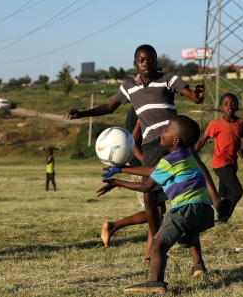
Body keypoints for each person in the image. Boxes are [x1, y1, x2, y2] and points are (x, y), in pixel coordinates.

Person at [67, 44, 204, 259]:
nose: (146, 63)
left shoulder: (167, 78)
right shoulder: (129, 85)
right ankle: (157, 244)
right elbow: (110, 107)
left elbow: (194, 98)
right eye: (142, 60)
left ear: (157, 61)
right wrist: (81, 113)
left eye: (151, 60)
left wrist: (197, 96)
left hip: (174, 141)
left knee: (182, 198)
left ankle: (193, 260)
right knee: (151, 200)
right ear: (134, 63)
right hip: (151, 144)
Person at [97, 115, 216, 293]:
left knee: (158, 245)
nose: (162, 131)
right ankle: (195, 254)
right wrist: (121, 169)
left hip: (184, 209)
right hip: (205, 211)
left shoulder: (170, 160)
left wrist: (117, 182)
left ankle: (156, 282)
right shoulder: (185, 156)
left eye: (166, 129)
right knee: (190, 229)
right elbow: (154, 170)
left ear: (175, 140)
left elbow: (147, 185)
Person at [96, 108, 168, 251]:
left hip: (146, 167)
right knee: (155, 211)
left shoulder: (143, 105)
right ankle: (115, 227)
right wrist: (147, 165)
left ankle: (149, 254)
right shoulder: (142, 108)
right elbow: (131, 142)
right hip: (142, 168)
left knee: (157, 211)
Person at [194, 92, 243, 223]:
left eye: (233, 104)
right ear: (221, 108)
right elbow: (202, 141)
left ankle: (203, 209)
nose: (229, 106)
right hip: (221, 163)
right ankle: (223, 218)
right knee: (237, 191)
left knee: (223, 195)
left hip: (232, 163)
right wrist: (191, 154)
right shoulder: (215, 124)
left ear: (237, 107)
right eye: (226, 104)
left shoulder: (241, 123)